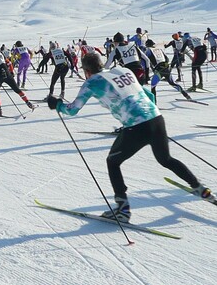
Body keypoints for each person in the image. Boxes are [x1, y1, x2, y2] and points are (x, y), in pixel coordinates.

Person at [46, 52, 214, 222]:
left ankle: (123, 209)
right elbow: (149, 96)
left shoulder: (92, 82)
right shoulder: (122, 70)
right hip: (156, 119)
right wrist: (149, 118)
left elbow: (73, 109)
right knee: (166, 159)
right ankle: (200, 189)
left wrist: (57, 104)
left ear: (86, 70)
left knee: (113, 161)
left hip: (136, 126)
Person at [0, 46, 35, 116]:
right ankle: (28, 103)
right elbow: (9, 62)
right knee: (17, 90)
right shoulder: (0, 53)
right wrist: (12, 72)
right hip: (7, 73)